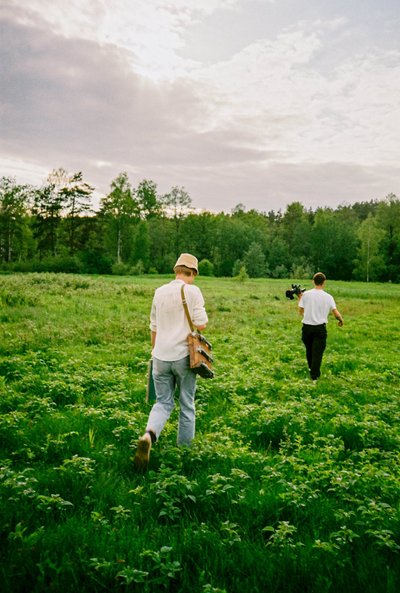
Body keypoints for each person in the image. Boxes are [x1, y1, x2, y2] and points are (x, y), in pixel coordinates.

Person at [133, 253, 208, 471]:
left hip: (160, 355)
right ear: (192, 273)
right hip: (183, 357)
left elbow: (153, 327)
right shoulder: (192, 291)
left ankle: (149, 435)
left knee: (163, 402)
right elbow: (201, 324)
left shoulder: (159, 292)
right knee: (186, 405)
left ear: (176, 270)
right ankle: (183, 454)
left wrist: (154, 351)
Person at [298, 272, 344, 381]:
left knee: (309, 351)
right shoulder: (328, 297)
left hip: (307, 328)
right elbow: (335, 312)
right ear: (324, 283)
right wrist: (340, 319)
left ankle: (312, 371)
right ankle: (314, 377)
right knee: (317, 353)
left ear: (313, 281)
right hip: (320, 329)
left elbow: (301, 311)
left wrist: (299, 298)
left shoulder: (306, 295)